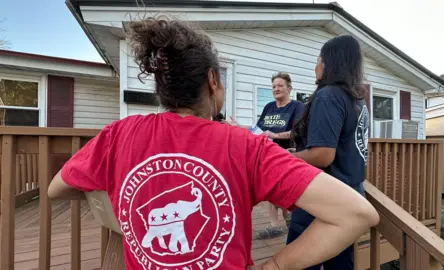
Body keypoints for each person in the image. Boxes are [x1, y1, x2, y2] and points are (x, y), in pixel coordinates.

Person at [47, 17, 378, 270]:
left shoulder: (118, 134)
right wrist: (274, 266)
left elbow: (56, 188)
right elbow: (356, 214)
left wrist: (124, 204)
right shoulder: (246, 147)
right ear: (212, 80)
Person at [288, 35, 371, 270]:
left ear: (329, 63)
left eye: (318, 61)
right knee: (340, 265)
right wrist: (303, 150)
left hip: (321, 202)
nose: (315, 67)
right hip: (349, 200)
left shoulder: (329, 95)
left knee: (299, 263)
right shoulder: (357, 100)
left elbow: (324, 155)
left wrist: (286, 157)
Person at [229, 72, 304, 239]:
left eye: (280, 86)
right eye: (273, 87)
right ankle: (278, 224)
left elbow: (298, 132)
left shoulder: (297, 107)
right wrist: (239, 126)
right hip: (266, 154)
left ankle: (289, 221)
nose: (276, 89)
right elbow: (259, 129)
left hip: (286, 155)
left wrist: (276, 135)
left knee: (281, 190)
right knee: (268, 189)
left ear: (289, 89)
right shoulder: (269, 107)